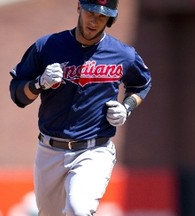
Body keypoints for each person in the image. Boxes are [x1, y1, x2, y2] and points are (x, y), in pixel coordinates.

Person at [9, 0, 152, 215]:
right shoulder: (47, 46)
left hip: (94, 149)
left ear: (110, 19)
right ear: (79, 8)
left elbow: (142, 84)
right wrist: (39, 83)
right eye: (90, 12)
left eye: (102, 16)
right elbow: (18, 94)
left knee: (79, 209)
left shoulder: (123, 54)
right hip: (50, 150)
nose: (94, 20)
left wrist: (126, 107)